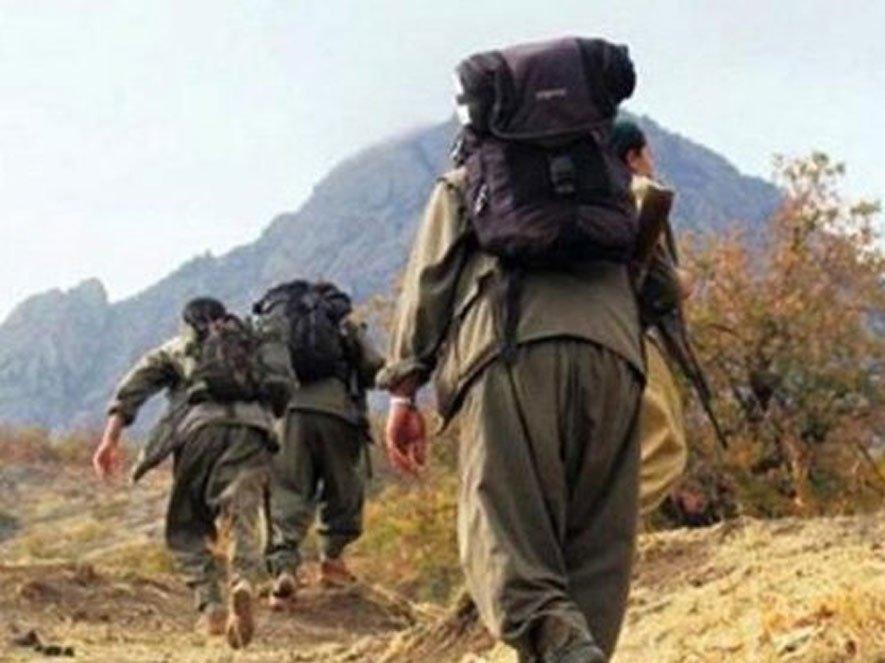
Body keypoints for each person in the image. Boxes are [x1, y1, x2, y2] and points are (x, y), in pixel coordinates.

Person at [381, 38, 645, 663]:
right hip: (616, 362)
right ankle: (579, 650)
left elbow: (427, 286)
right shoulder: (615, 183)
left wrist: (403, 392)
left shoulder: (467, 183)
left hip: (511, 356)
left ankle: (561, 644)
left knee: (504, 533)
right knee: (597, 549)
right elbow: (661, 285)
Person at [92, 297, 288, 649]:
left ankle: (211, 605)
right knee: (241, 513)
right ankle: (243, 580)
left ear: (188, 323)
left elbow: (133, 389)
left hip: (199, 432)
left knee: (187, 526)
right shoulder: (253, 343)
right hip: (252, 431)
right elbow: (282, 389)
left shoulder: (179, 347)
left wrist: (110, 440)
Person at [261, 281, 384, 610]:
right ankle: (332, 560)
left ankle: (284, 570)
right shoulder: (340, 320)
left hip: (288, 414)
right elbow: (373, 365)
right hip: (337, 411)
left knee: (287, 490)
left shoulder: (281, 324)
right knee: (342, 486)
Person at [611, 119, 693, 517]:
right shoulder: (637, 195)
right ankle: (599, 530)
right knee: (664, 445)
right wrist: (681, 282)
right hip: (622, 333)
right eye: (648, 154)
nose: (651, 162)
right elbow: (661, 287)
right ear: (633, 157)